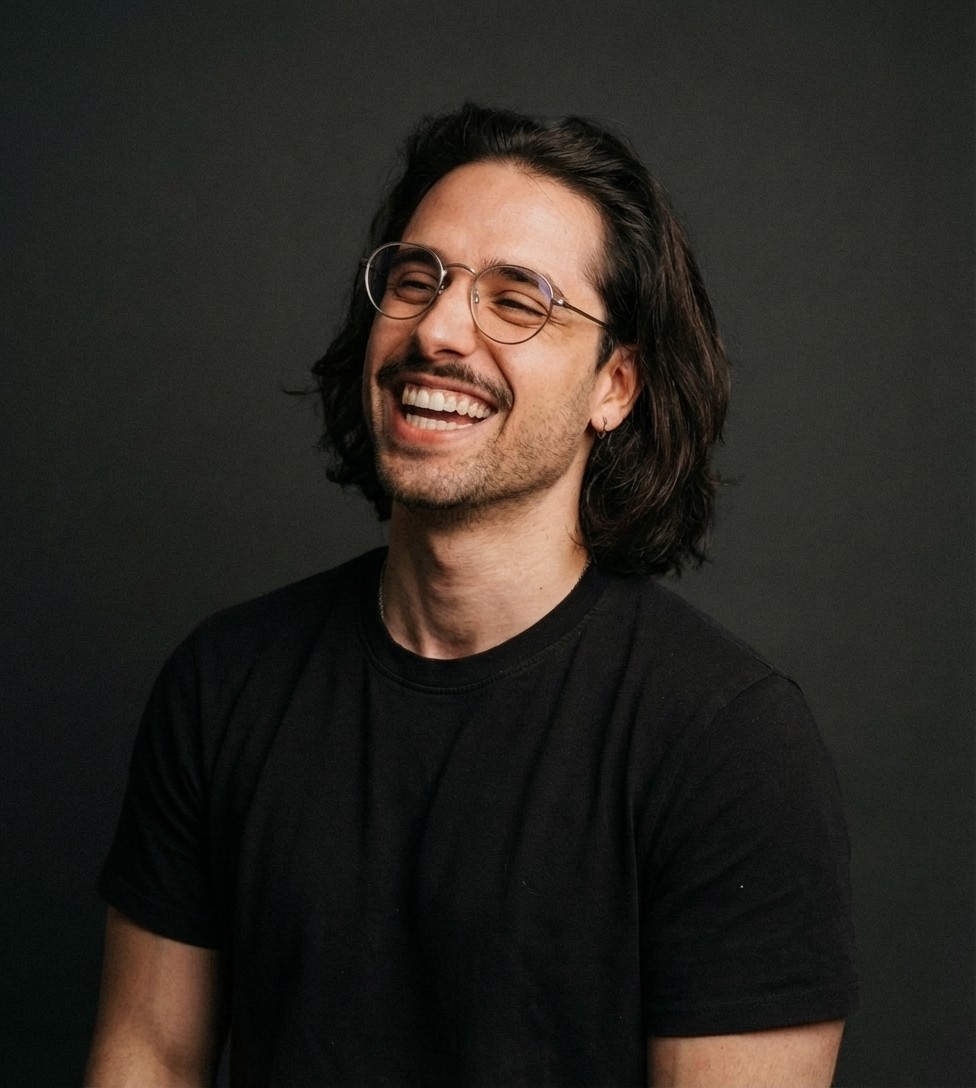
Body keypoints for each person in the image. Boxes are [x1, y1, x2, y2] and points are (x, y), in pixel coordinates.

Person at [85, 103, 858, 1087]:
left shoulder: (727, 743)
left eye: (517, 301)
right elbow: (149, 1054)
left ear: (614, 386)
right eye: (418, 280)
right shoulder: (225, 682)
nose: (438, 329)